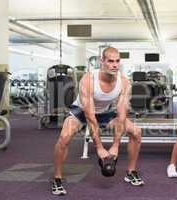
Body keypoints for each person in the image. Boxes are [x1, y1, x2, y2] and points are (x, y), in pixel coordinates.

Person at [52, 47, 144, 195]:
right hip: (81, 111)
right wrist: (100, 148)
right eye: (110, 61)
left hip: (106, 113)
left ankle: (131, 172)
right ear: (102, 61)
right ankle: (57, 177)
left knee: (136, 133)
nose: (115, 65)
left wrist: (115, 146)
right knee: (64, 138)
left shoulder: (125, 82)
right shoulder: (88, 79)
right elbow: (89, 116)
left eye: (117, 61)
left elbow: (121, 115)